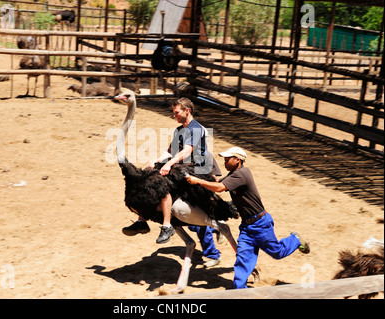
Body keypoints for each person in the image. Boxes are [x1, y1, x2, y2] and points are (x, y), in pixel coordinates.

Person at [186, 146, 310, 289]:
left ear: (237, 160)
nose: (224, 163)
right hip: (247, 227)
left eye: (227, 160)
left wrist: (198, 181)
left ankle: (294, 239)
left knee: (277, 252)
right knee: (242, 260)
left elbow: (219, 188)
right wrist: (203, 177)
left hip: (260, 224)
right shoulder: (234, 174)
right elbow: (217, 183)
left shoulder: (242, 174)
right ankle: (240, 290)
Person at [122, 97, 221, 247]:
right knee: (150, 177)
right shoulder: (180, 130)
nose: (174, 115)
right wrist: (155, 160)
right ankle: (141, 221)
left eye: (176, 112)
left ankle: (211, 241)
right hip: (183, 166)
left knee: (195, 211)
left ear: (187, 111)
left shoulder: (196, 128)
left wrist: (168, 164)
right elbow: (171, 151)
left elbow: (187, 151)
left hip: (198, 169)